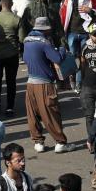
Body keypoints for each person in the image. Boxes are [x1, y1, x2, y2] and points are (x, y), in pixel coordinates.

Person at [22, 16, 69, 153]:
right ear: (46, 29)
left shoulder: (27, 41)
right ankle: (60, 142)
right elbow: (57, 58)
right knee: (51, 113)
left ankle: (38, 142)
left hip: (30, 83)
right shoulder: (44, 42)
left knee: (33, 114)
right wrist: (61, 49)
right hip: (44, 84)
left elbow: (25, 58)